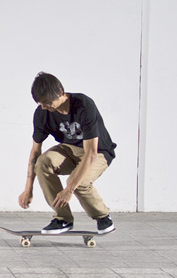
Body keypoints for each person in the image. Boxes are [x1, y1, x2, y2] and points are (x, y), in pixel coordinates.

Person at [17, 72, 116, 234]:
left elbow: (90, 153)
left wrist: (69, 189)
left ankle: (102, 216)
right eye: (40, 103)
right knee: (43, 162)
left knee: (79, 183)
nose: (44, 107)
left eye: (47, 102)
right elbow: (35, 151)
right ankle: (62, 219)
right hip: (68, 150)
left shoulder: (84, 105)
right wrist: (28, 188)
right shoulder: (42, 113)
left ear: (60, 93)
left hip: (98, 151)